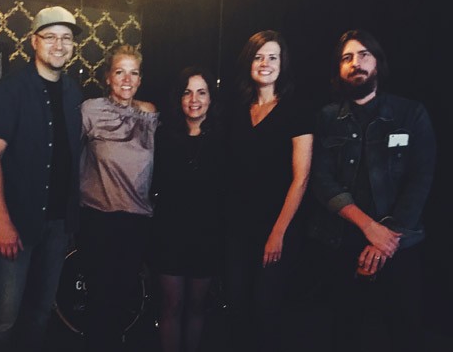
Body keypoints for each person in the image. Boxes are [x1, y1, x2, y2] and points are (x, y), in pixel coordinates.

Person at [309, 29, 436, 352]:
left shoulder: (411, 114)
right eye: (347, 57)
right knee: (343, 333)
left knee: (405, 333)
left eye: (364, 55)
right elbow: (321, 180)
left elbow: (420, 178)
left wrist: (384, 240)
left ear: (378, 63)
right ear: (339, 69)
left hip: (398, 243)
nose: (356, 63)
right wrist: (368, 228)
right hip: (342, 240)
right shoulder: (326, 118)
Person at [0, 6, 83, 352]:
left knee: (40, 313)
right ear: (34, 42)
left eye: (66, 38)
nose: (59, 44)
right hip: (16, 225)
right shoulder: (11, 90)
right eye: (51, 36)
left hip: (56, 226)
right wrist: (2, 222)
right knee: (2, 320)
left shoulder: (73, 92)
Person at [224, 30, 313, 352]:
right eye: (259, 56)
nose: (265, 63)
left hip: (278, 228)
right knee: (236, 306)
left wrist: (278, 232)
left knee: (266, 310)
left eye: (272, 57)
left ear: (282, 64)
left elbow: (300, 178)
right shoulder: (237, 109)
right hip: (237, 229)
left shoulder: (296, 110)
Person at [78, 44, 158, 352]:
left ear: (140, 79)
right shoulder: (90, 110)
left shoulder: (149, 113)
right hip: (98, 219)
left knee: (125, 298)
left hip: (137, 221)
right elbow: (67, 156)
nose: (127, 79)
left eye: (134, 73)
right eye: (120, 72)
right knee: (99, 299)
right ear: (108, 77)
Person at [150, 66, 224, 352]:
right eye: (187, 92)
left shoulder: (223, 138)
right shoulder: (163, 136)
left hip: (207, 235)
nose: (194, 99)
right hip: (169, 234)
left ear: (211, 98)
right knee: (171, 304)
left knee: (196, 307)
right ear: (178, 98)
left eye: (201, 92)